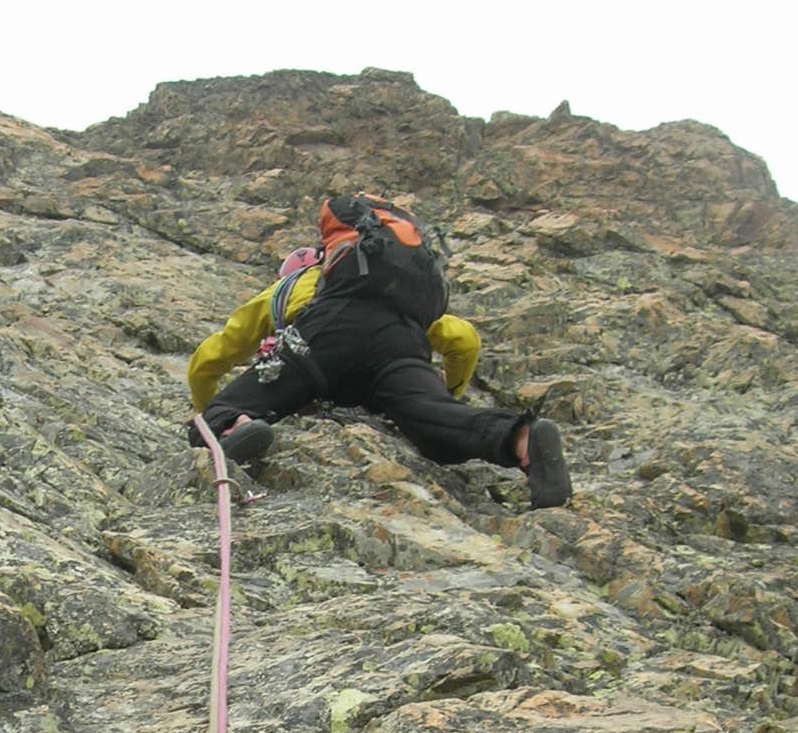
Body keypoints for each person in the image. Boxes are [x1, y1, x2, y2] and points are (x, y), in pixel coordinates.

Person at [186, 196, 571, 509]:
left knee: (223, 413)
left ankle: (236, 424)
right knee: (439, 426)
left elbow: (210, 359)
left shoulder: (290, 288)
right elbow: (464, 339)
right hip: (399, 350)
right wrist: (443, 394)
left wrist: (213, 406)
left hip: (323, 342)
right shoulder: (396, 292)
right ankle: (521, 438)